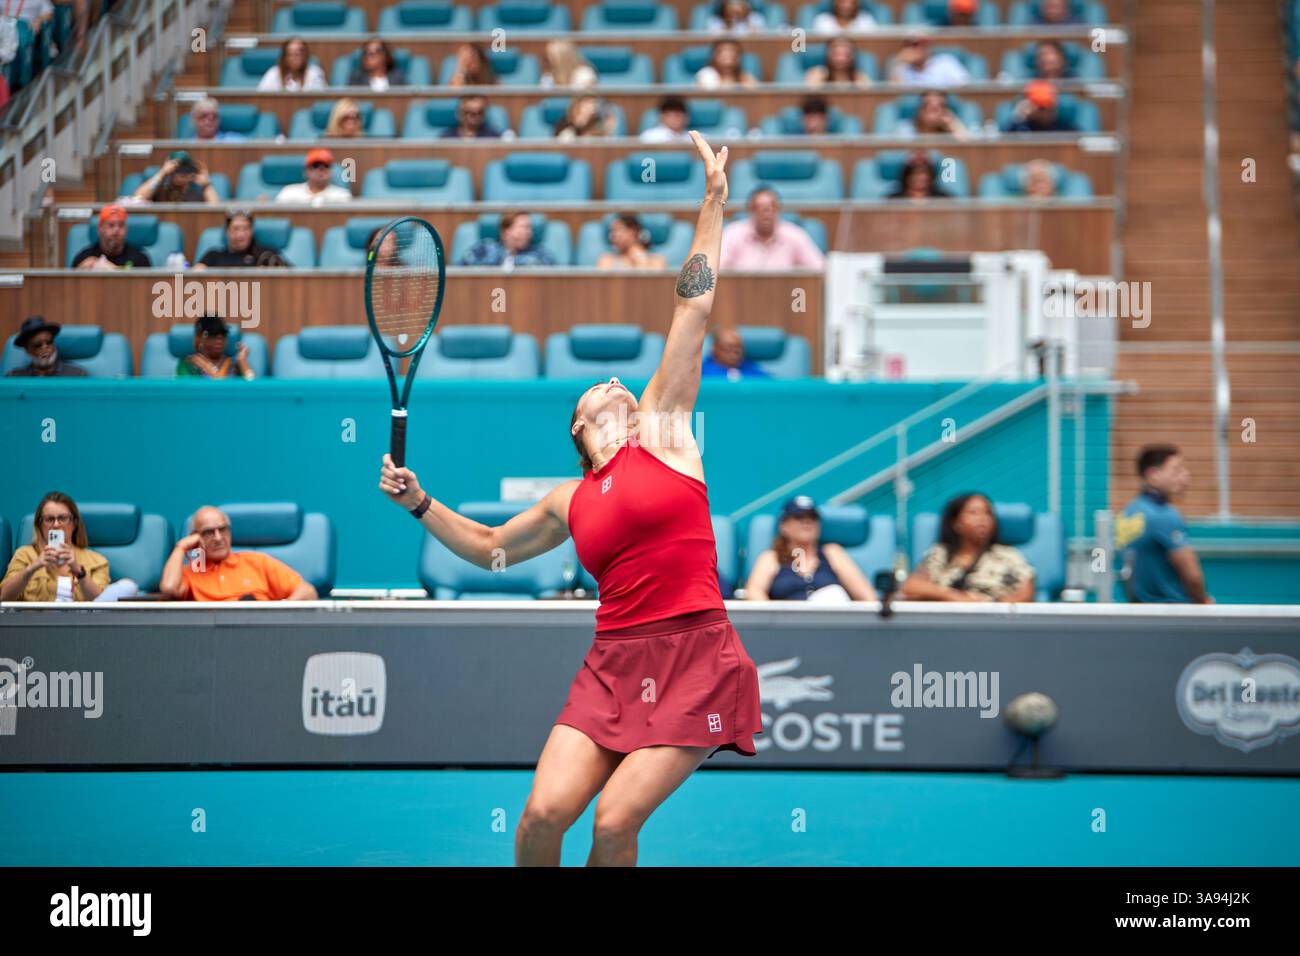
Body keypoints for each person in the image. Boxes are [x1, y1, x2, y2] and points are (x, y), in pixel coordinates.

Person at [379, 132, 762, 867]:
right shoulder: (569, 498)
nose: (617, 381)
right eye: (598, 388)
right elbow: (491, 549)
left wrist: (713, 204)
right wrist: (420, 505)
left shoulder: (665, 432)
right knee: (540, 818)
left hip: (695, 655)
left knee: (615, 824)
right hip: (612, 664)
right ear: (580, 426)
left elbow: (693, 310)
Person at [1115, 445, 1212, 603]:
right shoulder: (1164, 515)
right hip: (1174, 614)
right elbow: (1193, 577)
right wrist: (1205, 602)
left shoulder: (1127, 513)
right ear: (1153, 475)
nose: (1186, 476)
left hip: (1138, 612)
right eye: (1176, 470)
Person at [1, 492, 138, 602]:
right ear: (40, 525)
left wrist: (78, 570)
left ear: (74, 523)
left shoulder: (97, 561)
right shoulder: (24, 555)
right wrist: (33, 567)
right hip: (35, 625)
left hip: (80, 626)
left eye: (62, 518)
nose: (56, 525)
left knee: (128, 586)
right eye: (49, 519)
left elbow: (100, 603)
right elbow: (4, 597)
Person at [160, 506, 318, 601]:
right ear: (195, 537)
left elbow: (308, 592)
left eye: (223, 530)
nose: (218, 538)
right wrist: (181, 546)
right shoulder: (194, 571)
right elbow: (169, 588)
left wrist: (281, 611)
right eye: (208, 532)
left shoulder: (255, 562)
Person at [901, 493, 1036, 602]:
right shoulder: (941, 554)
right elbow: (911, 587)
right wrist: (954, 596)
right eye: (973, 513)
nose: (982, 519)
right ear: (956, 523)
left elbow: (1025, 596)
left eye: (988, 513)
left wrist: (991, 610)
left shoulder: (1008, 555)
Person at [745, 496, 878, 600]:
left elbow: (868, 597)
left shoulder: (833, 553)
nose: (806, 522)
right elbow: (753, 593)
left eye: (812, 517)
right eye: (798, 517)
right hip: (788, 629)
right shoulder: (771, 558)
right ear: (783, 526)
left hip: (832, 625)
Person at [720, 186, 825, 269]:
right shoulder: (733, 233)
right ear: (750, 211)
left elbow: (820, 269)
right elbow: (715, 269)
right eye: (759, 208)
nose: (766, 213)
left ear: (778, 210)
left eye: (770, 208)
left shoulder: (794, 234)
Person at [194, 210, 289, 269]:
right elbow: (195, 277)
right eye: (236, 229)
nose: (241, 235)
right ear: (227, 231)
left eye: (246, 229)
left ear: (252, 230)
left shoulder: (266, 255)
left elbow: (291, 275)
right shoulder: (213, 256)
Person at [458, 211, 557, 268]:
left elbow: (553, 277)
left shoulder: (541, 254)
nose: (529, 232)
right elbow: (461, 272)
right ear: (506, 231)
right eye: (524, 227)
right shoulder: (484, 248)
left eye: (530, 228)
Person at [175, 315, 256, 380]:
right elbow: (187, 394)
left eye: (223, 334)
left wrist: (243, 362)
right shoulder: (188, 365)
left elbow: (254, 391)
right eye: (213, 334)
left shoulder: (234, 365)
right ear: (200, 338)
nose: (219, 339)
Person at [71, 204, 151, 270]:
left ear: (126, 230)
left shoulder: (140, 259)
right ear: (100, 229)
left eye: (121, 225)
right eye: (111, 225)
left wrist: (109, 268)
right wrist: (79, 271)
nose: (116, 230)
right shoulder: (84, 258)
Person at [5, 316, 87, 377]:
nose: (45, 347)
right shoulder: (14, 377)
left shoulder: (77, 375)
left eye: (49, 342)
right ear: (27, 350)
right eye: (37, 345)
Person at [130, 150, 219, 204]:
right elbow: (138, 198)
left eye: (185, 169)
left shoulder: (197, 186)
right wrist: (162, 173)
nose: (182, 174)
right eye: (177, 168)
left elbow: (215, 211)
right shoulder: (161, 185)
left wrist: (207, 186)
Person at [273, 149, 353, 205]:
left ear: (331, 171)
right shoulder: (289, 192)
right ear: (306, 171)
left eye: (326, 166)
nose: (321, 170)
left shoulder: (342, 196)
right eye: (315, 166)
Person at [889, 34, 971, 88]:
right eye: (911, 45)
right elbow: (895, 95)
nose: (916, 49)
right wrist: (897, 63)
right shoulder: (902, 68)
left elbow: (964, 87)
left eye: (921, 44)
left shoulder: (945, 62)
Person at [596, 213, 667, 271]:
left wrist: (641, 262)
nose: (612, 236)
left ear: (633, 231)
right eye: (611, 231)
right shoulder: (606, 260)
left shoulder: (657, 260)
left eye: (617, 230)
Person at [257, 37, 327, 91]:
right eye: (290, 54)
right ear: (284, 57)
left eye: (297, 54)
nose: (294, 58)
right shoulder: (273, 73)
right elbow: (261, 97)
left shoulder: (314, 73)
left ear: (305, 56)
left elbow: (318, 100)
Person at [1004, 80, 1076, 132]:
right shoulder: (1021, 127)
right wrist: (1018, 117)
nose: (1045, 113)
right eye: (1041, 108)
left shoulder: (1065, 128)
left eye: (1049, 107)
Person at [700, 326, 769, 380]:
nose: (734, 353)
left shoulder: (750, 368)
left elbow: (771, 384)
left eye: (738, 348)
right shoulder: (701, 372)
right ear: (714, 349)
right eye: (728, 348)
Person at [804, 36, 871, 88]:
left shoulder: (861, 78)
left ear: (852, 55)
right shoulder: (816, 74)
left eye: (845, 54)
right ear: (828, 54)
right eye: (836, 53)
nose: (840, 58)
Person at [901, 89, 970, 138]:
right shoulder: (905, 129)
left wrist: (952, 123)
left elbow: (968, 146)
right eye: (927, 104)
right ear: (919, 109)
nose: (932, 109)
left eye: (940, 105)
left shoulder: (950, 132)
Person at [553, 95, 618, 140]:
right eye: (587, 102)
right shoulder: (564, 124)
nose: (592, 106)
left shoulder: (597, 120)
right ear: (577, 105)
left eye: (593, 102)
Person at [437, 95, 502, 139]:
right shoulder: (446, 138)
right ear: (459, 114)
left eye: (479, 112)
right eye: (469, 112)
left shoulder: (493, 137)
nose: (475, 117)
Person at [811, 0, 878, 33]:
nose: (846, 6)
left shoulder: (866, 20)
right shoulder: (822, 20)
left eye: (850, 2)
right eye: (842, 2)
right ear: (835, 3)